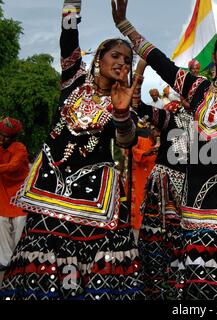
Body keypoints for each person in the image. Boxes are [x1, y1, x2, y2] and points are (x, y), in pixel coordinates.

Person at [112, 0, 217, 300]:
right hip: (196, 191)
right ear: (215, 55)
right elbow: (162, 62)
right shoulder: (196, 89)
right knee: (196, 273)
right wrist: (126, 28)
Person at [0, 0, 144, 300]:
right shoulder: (74, 81)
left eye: (127, 60)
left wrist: (121, 113)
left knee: (97, 263)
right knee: (41, 259)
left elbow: (127, 140)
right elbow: (68, 37)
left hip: (95, 195)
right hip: (51, 186)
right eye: (115, 55)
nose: (121, 63)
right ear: (98, 59)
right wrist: (71, 5)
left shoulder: (124, 100)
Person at [0, 117, 29, 271]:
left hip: (19, 196)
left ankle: (18, 261)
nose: (2, 138)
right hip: (3, 195)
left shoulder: (20, 148)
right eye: (0, 134)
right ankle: (5, 261)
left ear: (14, 138)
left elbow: (13, 166)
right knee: (1, 224)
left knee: (19, 228)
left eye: (6, 136)